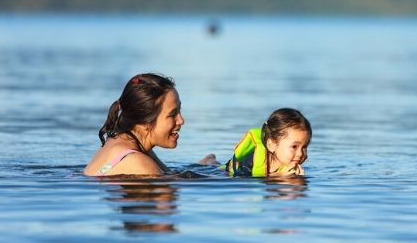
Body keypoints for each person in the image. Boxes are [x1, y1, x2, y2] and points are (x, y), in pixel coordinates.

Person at [84, 73, 215, 177]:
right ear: (145, 121)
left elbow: (170, 175)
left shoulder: (121, 142)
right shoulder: (139, 163)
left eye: (179, 111)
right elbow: (169, 192)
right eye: (172, 114)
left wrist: (208, 166)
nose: (181, 120)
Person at [225, 108, 311, 177]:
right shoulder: (248, 164)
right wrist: (277, 177)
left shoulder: (292, 166)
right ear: (271, 145)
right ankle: (211, 160)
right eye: (294, 146)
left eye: (304, 147)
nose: (300, 154)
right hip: (229, 169)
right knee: (216, 166)